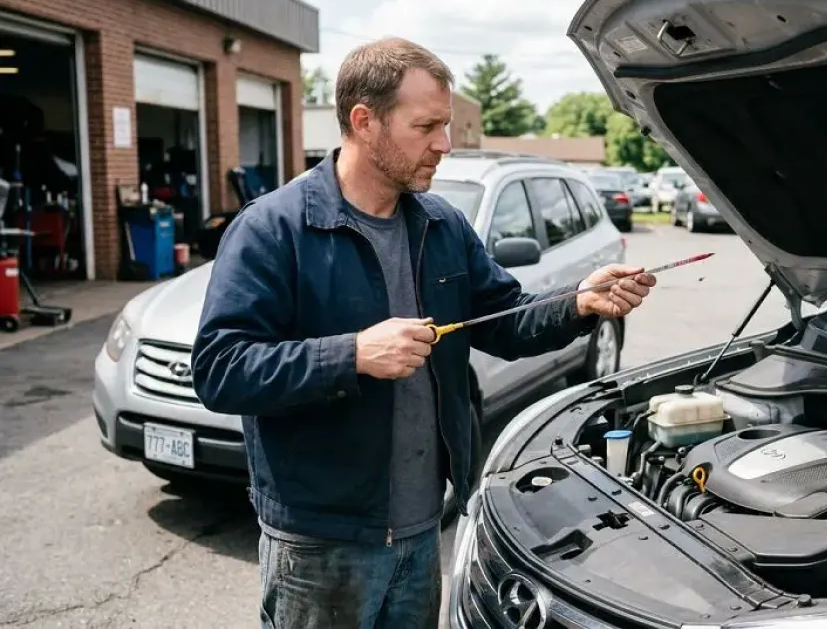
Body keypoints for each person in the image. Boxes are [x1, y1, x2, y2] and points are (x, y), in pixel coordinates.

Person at [190, 36, 657, 628]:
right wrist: (353, 354)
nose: (444, 144)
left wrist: (580, 302)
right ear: (364, 121)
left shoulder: (441, 224)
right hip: (320, 544)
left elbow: (506, 318)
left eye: (446, 125)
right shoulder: (274, 229)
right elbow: (221, 369)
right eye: (426, 126)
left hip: (421, 530)